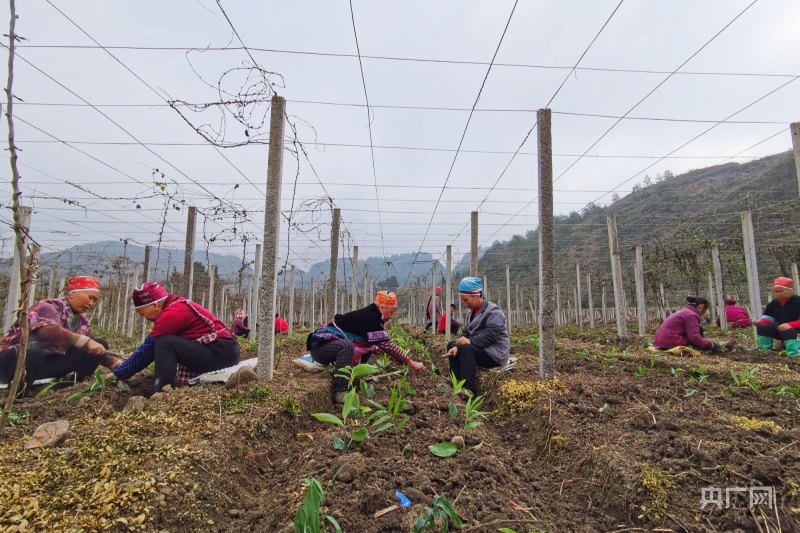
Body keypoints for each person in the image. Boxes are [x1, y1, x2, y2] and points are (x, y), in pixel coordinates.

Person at [112, 281, 240, 393]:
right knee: (165, 342)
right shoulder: (177, 304)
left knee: (165, 343)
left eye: (142, 313)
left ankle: (160, 389)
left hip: (220, 352)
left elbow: (147, 349)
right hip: (225, 352)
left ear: (155, 305)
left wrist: (120, 372)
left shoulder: (173, 313)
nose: (144, 317)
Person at [0, 276, 120, 393]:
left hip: (45, 364)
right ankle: (20, 391)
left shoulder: (81, 322)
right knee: (30, 349)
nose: (91, 303)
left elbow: (95, 348)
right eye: (90, 297)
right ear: (72, 293)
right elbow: (47, 331)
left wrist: (117, 364)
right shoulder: (47, 307)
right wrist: (85, 341)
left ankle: (69, 387)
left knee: (100, 344)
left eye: (94, 301)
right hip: (14, 362)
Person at [307, 291, 426, 403]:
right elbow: (388, 346)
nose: (391, 317)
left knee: (370, 345)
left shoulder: (373, 316)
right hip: (320, 349)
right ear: (382, 307)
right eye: (391, 312)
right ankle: (340, 391)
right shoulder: (371, 319)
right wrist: (411, 363)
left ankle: (354, 378)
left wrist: (398, 360)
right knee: (347, 346)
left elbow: (380, 347)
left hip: (329, 348)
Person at [443, 277, 510, 400]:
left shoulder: (493, 311)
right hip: (480, 349)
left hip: (494, 353)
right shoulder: (471, 314)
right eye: (463, 301)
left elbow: (492, 334)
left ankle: (469, 388)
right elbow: (466, 332)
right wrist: (457, 346)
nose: (465, 303)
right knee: (452, 345)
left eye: (466, 300)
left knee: (467, 348)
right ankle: (456, 380)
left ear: (478, 295)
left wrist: (470, 341)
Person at [653, 296, 727, 353]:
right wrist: (711, 345)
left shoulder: (685, 312)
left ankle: (699, 346)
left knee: (699, 328)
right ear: (701, 306)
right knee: (698, 332)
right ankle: (700, 347)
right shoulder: (691, 315)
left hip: (660, 342)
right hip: (671, 343)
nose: (705, 312)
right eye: (706, 309)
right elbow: (694, 337)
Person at [755, 277, 800, 357]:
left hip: (796, 331)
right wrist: (760, 321)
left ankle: (795, 353)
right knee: (763, 328)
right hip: (782, 330)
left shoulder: (797, 301)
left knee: (788, 331)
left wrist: (791, 325)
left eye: (781, 291)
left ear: (790, 290)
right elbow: (768, 319)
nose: (778, 293)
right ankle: (764, 351)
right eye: (776, 291)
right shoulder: (773, 304)